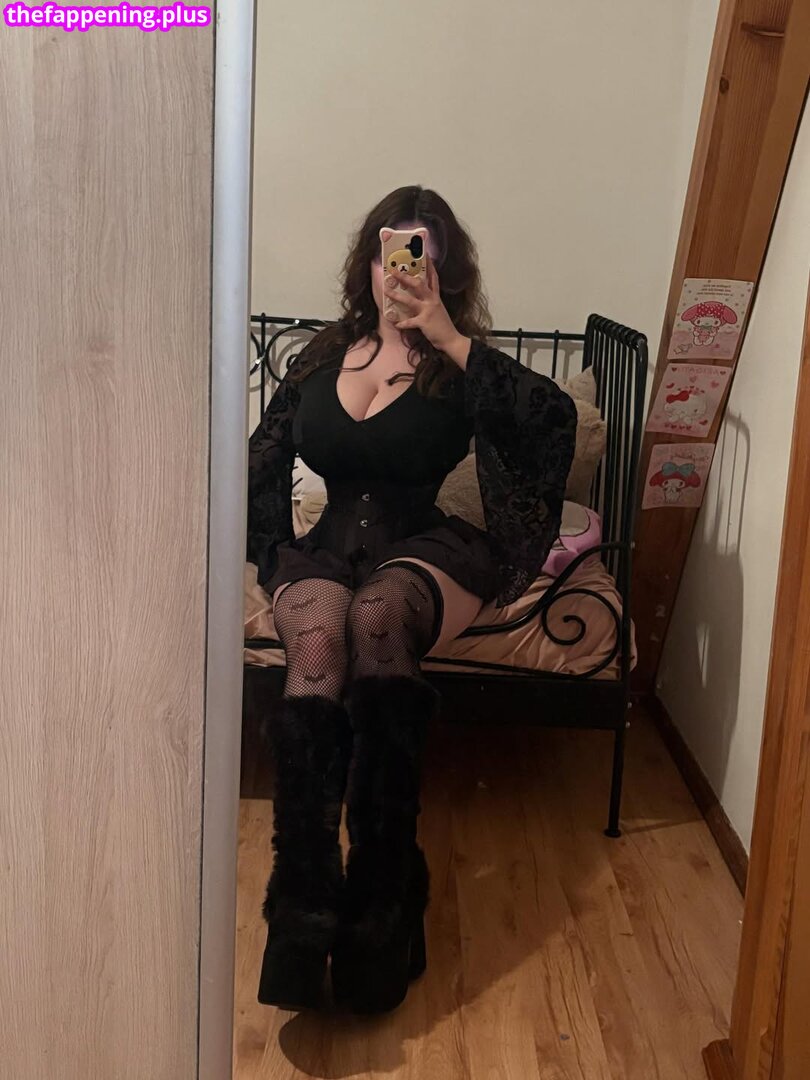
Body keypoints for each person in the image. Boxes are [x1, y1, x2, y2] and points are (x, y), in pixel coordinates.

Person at [247, 185, 577, 1014]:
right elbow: (260, 455)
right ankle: (303, 899)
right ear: (368, 262)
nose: (399, 270)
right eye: (388, 251)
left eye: (418, 254)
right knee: (319, 633)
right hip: (326, 549)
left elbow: (552, 420)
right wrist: (259, 547)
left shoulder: (459, 366)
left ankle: (384, 897)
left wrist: (448, 335)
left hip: (421, 549)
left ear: (442, 270)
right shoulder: (322, 356)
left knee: (377, 616)